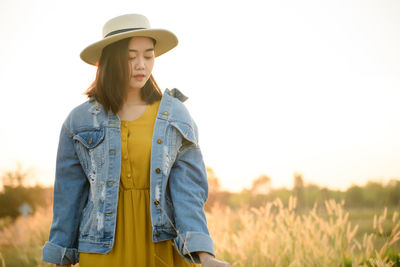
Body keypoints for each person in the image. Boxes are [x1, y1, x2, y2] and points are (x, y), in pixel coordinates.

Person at [42, 14, 230, 267]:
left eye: (148, 56)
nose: (141, 64)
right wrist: (59, 259)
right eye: (131, 57)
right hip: (101, 251)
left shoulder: (176, 115)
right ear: (110, 60)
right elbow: (68, 198)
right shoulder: (79, 121)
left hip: (162, 245)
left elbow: (189, 192)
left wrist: (205, 257)